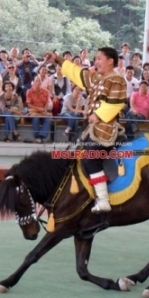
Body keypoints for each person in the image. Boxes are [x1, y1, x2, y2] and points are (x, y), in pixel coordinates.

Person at [47, 47, 126, 214]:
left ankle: (103, 201)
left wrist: (97, 115)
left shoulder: (117, 79)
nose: (95, 62)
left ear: (110, 61)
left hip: (106, 128)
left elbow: (117, 102)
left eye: (99, 59)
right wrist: (57, 59)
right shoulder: (97, 78)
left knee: (90, 158)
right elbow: (78, 73)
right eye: (95, 59)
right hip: (91, 128)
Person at [26, 76, 52, 144]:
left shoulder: (46, 91)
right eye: (36, 81)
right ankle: (37, 136)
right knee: (36, 118)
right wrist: (38, 109)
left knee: (48, 118)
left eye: (39, 81)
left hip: (43, 111)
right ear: (34, 82)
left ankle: (41, 136)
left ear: (41, 82)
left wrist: (45, 110)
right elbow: (29, 104)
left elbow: (46, 103)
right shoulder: (29, 91)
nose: (38, 83)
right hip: (34, 110)